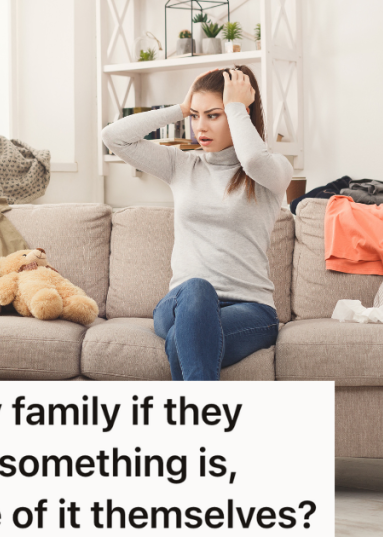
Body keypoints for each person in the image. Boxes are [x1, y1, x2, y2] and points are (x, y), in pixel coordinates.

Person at [100, 66, 292, 381]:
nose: (199, 127)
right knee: (197, 289)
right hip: (181, 302)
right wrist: (179, 108)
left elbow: (253, 160)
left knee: (181, 341)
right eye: (195, 116)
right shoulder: (182, 165)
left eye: (213, 115)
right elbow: (113, 137)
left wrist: (235, 105)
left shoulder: (273, 172)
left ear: (240, 113)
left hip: (251, 308)